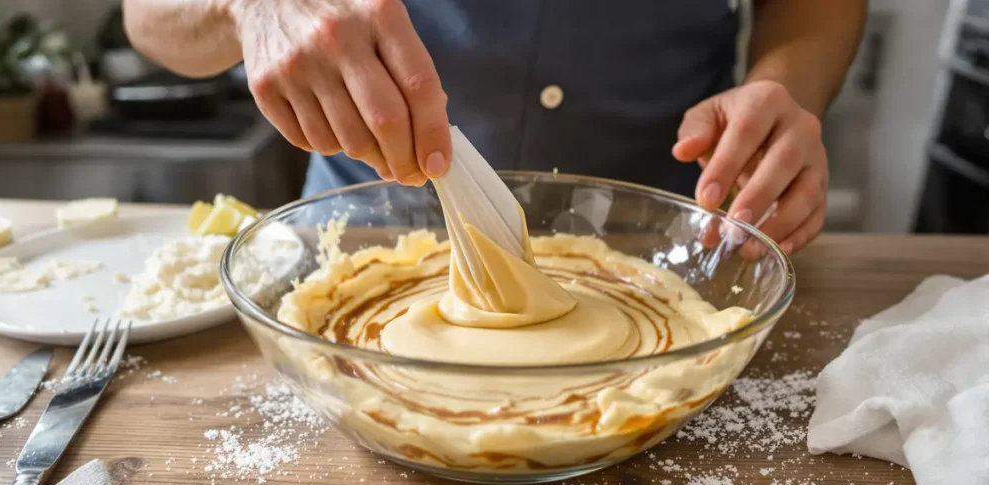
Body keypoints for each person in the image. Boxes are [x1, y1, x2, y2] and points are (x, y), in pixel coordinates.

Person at [123, 0, 866, 256]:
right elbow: (147, 18)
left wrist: (781, 88)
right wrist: (250, 7)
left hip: (671, 236)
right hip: (362, 234)